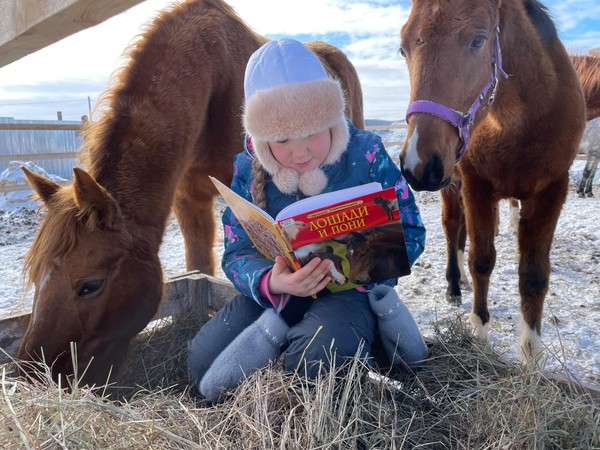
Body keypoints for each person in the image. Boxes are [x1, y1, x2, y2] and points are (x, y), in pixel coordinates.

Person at [187, 38, 427, 399]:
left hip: (349, 294)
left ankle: (335, 349)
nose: (299, 152)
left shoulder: (368, 154)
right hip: (279, 293)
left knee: (316, 361)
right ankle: (279, 339)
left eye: (312, 132)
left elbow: (413, 233)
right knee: (203, 362)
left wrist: (364, 258)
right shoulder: (245, 168)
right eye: (282, 139)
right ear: (262, 139)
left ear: (332, 118)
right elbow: (236, 252)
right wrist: (272, 282)